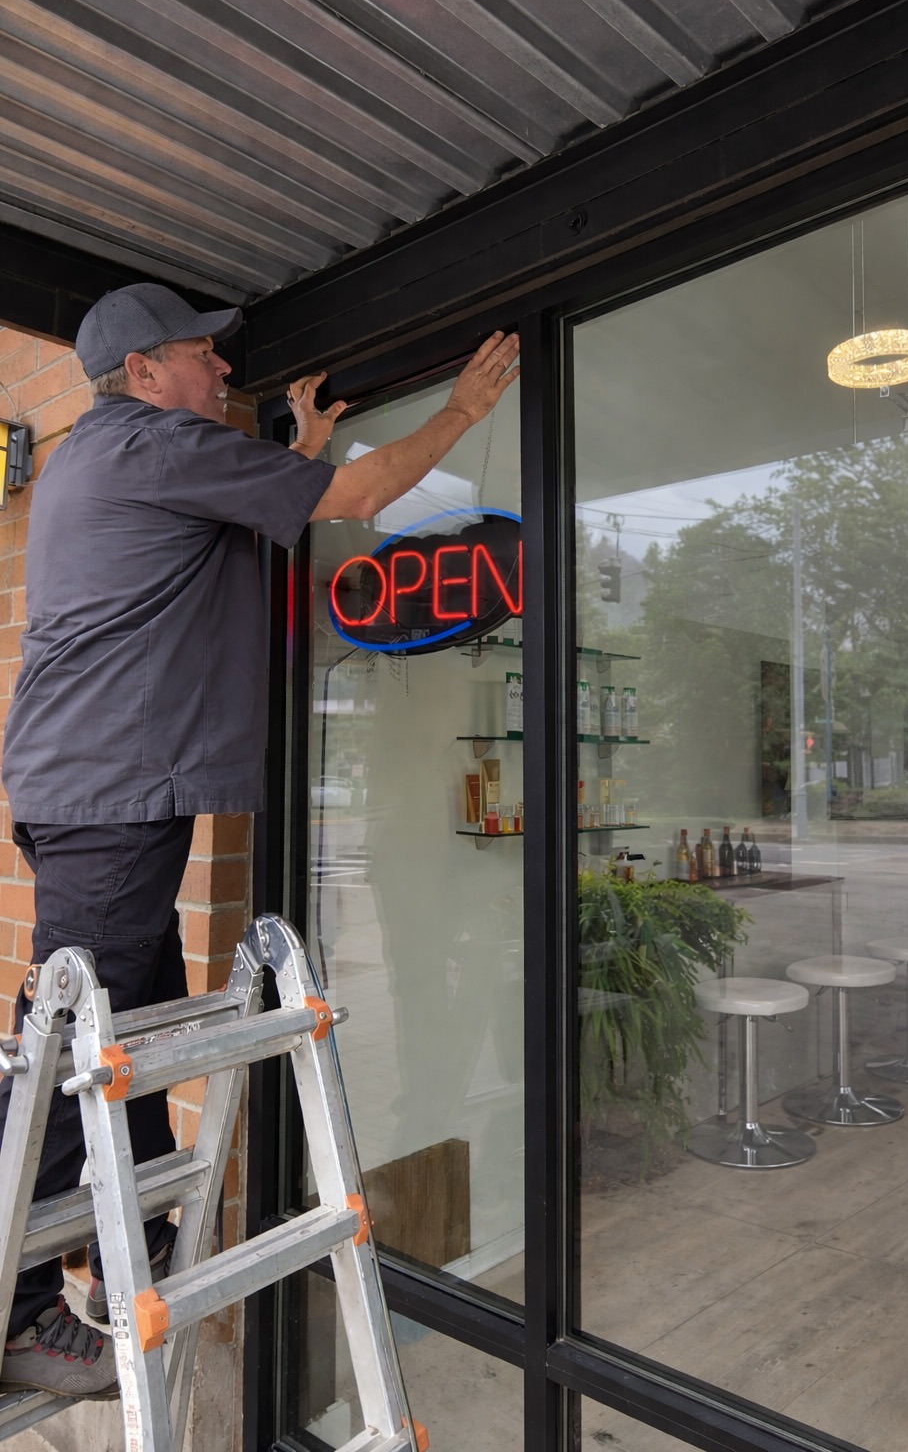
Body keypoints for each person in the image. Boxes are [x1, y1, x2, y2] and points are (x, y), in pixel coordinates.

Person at [0, 282, 519, 1398]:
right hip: (111, 792)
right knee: (65, 1043)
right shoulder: (154, 446)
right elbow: (363, 492)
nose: (222, 373)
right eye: (203, 356)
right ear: (144, 373)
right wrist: (464, 409)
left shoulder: (115, 454)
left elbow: (267, 506)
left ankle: (112, 1238)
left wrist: (297, 446)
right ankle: (20, 1313)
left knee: (122, 1034)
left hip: (94, 785)